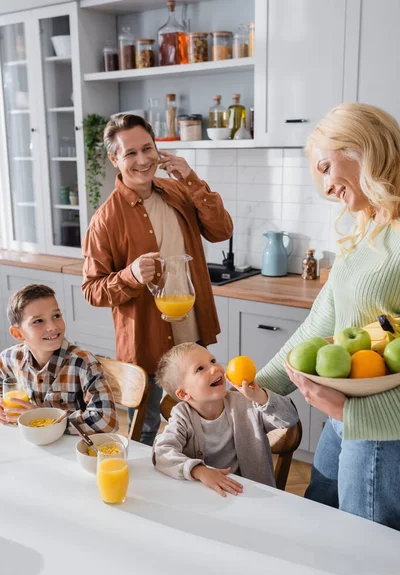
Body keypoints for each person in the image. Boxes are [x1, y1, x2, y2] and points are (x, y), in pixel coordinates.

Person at [256, 103, 400, 530]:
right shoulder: (369, 227)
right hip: (343, 423)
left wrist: (352, 413)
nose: (325, 187)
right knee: (318, 527)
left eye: (325, 167)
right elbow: (320, 326)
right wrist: (247, 393)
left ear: (360, 148)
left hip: (380, 433)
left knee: (363, 559)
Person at [82, 114, 233, 446]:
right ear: (114, 159)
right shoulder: (105, 220)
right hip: (145, 343)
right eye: (130, 153)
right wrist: (130, 275)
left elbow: (222, 230)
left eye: (147, 148)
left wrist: (192, 179)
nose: (142, 160)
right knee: (144, 430)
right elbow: (92, 289)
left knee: (205, 422)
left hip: (192, 338)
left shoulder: (179, 191)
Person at [152, 342, 299, 496]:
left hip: (253, 496)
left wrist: (261, 397)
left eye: (212, 361)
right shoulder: (182, 416)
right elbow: (162, 452)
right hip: (208, 497)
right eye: (200, 368)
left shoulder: (246, 403)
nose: (215, 368)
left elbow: (289, 418)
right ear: (183, 394)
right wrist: (199, 471)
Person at [0, 284, 118, 434]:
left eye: (56, 316)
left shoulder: (83, 363)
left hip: (72, 449)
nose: (52, 326)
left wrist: (45, 418)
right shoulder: (10, 358)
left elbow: (107, 421)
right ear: (18, 334)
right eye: (38, 321)